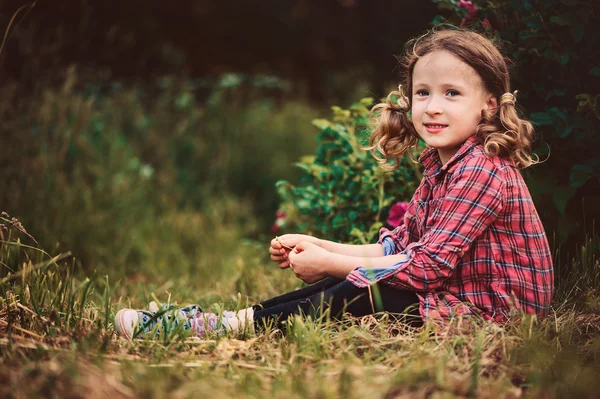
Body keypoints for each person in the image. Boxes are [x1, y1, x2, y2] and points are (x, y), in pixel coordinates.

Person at [114, 27, 554, 340]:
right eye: (423, 93)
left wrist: (329, 262)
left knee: (365, 287)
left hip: (494, 313)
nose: (433, 108)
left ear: (489, 106)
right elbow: (399, 248)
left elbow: (425, 268)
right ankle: (226, 320)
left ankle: (218, 325)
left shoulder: (481, 169)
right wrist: (320, 244)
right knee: (357, 280)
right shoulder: (444, 165)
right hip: (457, 291)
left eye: (452, 94)